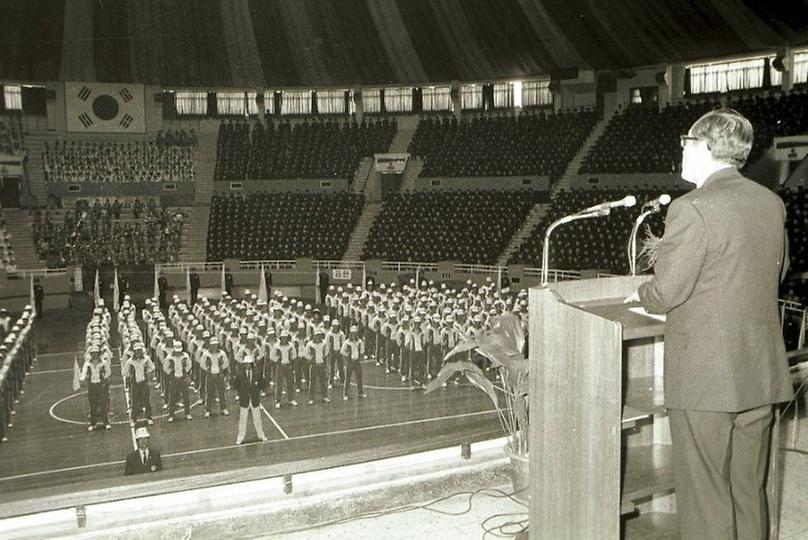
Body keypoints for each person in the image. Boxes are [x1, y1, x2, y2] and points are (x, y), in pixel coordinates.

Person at [625, 108, 792, 540]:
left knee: (705, 497)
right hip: (759, 372)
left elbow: (666, 293)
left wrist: (640, 293)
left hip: (706, 379)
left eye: (686, 142)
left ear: (704, 146)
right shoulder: (771, 202)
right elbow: (778, 270)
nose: (682, 151)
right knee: (747, 490)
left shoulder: (692, 207)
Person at [234, 354, 267, 444]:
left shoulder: (257, 373)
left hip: (255, 400)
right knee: (243, 420)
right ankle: (240, 438)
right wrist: (241, 393)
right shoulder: (240, 374)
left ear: (252, 364)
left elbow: (263, 384)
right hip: (244, 400)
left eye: (249, 363)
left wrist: (257, 391)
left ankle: (261, 435)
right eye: (246, 364)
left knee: (257, 419)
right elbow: (235, 385)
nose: (247, 365)